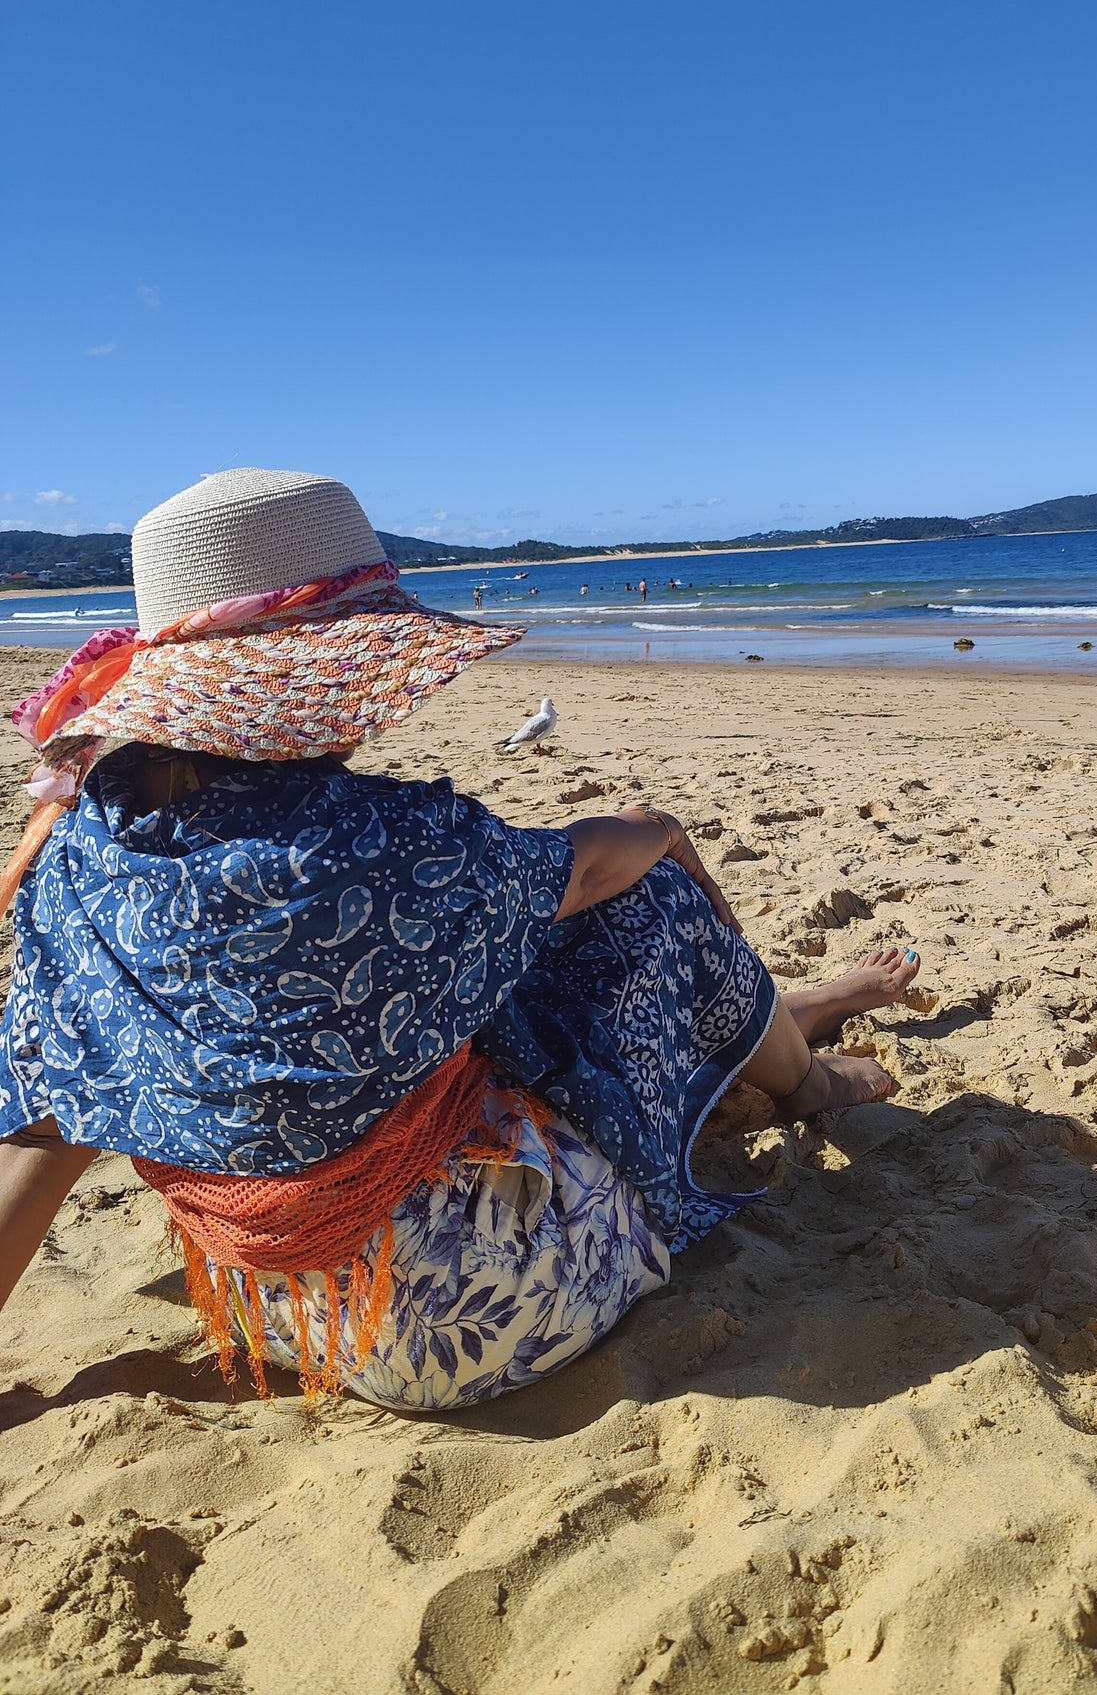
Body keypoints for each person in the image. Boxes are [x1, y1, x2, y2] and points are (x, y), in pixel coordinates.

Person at [0, 468, 902, 1410]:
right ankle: (804, 1079)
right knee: (649, 900)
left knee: (496, 960)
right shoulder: (380, 840)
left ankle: (795, 1018)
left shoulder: (78, 855)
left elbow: (38, 1130)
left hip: (289, 1315)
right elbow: (593, 868)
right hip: (493, 1310)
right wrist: (660, 822)